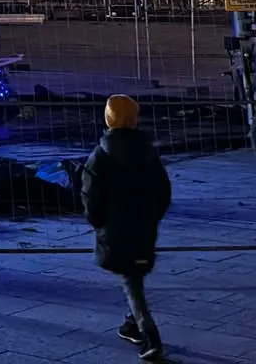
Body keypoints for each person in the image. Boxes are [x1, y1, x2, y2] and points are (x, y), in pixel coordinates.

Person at [82, 94, 172, 361]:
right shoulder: (148, 152)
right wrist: (153, 216)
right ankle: (131, 325)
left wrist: (98, 222)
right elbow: (163, 190)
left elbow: (90, 196)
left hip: (115, 228)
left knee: (130, 279)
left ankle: (150, 335)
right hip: (144, 224)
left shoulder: (100, 156)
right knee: (135, 274)